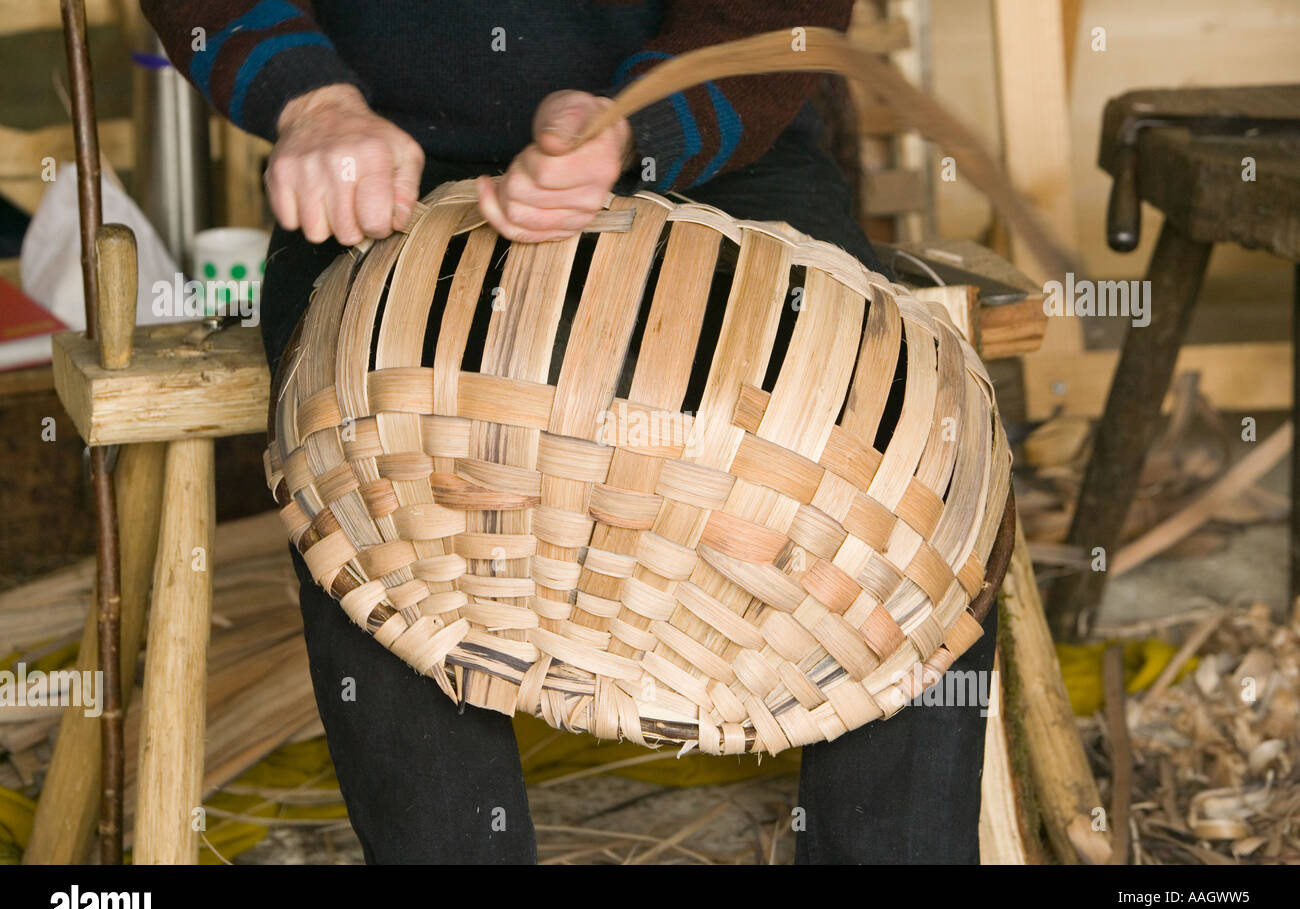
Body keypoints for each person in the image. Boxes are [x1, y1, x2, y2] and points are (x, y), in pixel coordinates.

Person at [143, 0, 997, 864]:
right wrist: (307, 99)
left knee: (904, 459)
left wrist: (641, 119)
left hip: (707, 140)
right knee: (361, 443)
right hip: (374, 157)